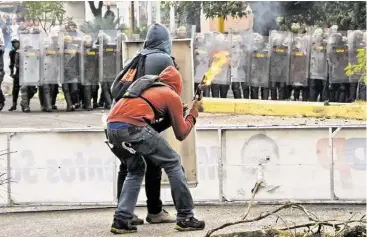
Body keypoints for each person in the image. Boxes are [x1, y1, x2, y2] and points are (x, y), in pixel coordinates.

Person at [106, 65, 205, 234]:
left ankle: (121, 220)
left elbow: (147, 125)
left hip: (111, 128)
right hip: (132, 128)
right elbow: (181, 134)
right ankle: (186, 217)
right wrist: (193, 113)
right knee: (173, 161)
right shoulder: (170, 94)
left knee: (136, 169)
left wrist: (173, 116)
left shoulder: (145, 88)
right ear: (177, 85)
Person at [111, 23, 180, 225]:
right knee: (154, 163)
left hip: (117, 119)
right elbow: (170, 91)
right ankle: (155, 211)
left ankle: (124, 212)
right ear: (166, 41)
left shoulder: (135, 57)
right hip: (142, 120)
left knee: (127, 166)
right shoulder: (164, 58)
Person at [8, 35, 20, 111]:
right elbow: (11, 64)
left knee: (29, 89)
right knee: (15, 89)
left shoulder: (23, 51)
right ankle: (14, 104)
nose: (15, 44)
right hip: (18, 72)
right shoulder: (12, 52)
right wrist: (12, 73)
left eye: (16, 42)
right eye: (13, 43)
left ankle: (26, 104)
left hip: (25, 72)